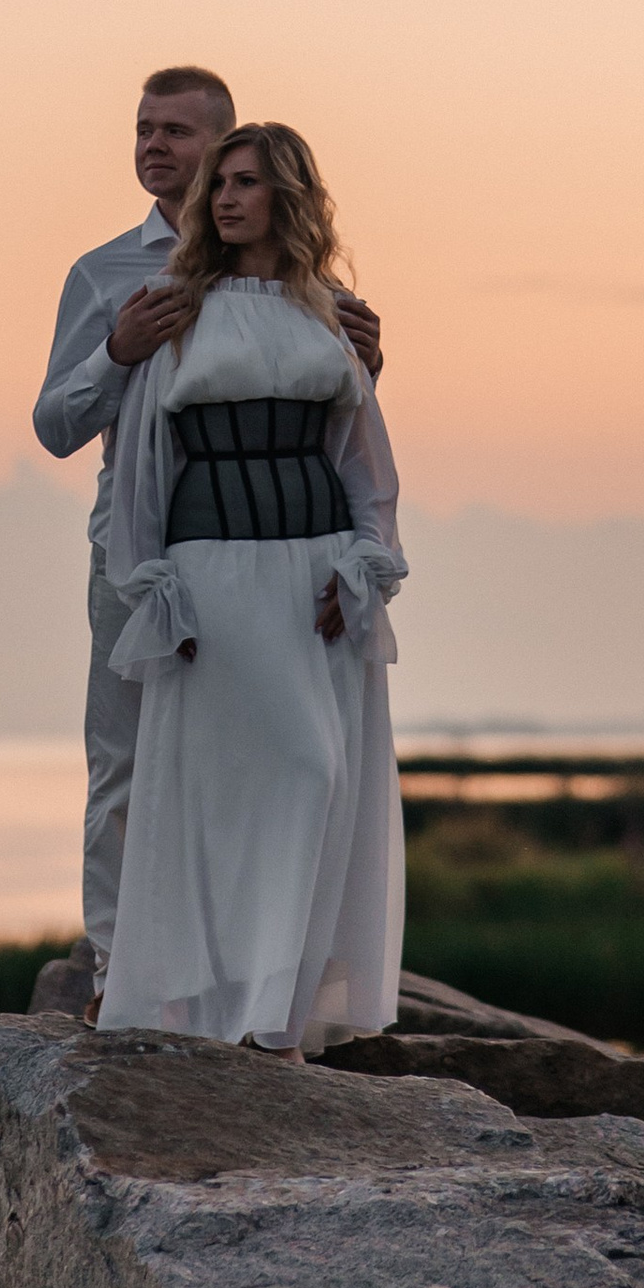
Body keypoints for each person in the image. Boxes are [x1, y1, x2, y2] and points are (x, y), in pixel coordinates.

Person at [33, 69, 380, 986]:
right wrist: (119, 351)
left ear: (225, 146)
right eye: (143, 128)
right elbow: (56, 427)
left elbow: (328, 425)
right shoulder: (105, 274)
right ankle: (120, 959)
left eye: (178, 132)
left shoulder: (299, 285)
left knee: (268, 757)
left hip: (276, 561)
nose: (155, 146)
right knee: (124, 757)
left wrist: (369, 365)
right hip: (140, 547)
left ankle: (244, 961)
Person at [95, 122, 405, 1053]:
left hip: (313, 583)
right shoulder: (174, 311)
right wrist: (155, 591)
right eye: (218, 183)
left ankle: (280, 1014)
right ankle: (209, 1007)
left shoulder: (331, 313)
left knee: (315, 775)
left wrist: (364, 570)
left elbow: (365, 463)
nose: (225, 198)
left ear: (289, 196)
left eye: (246, 183)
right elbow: (145, 467)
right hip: (210, 582)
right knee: (212, 797)